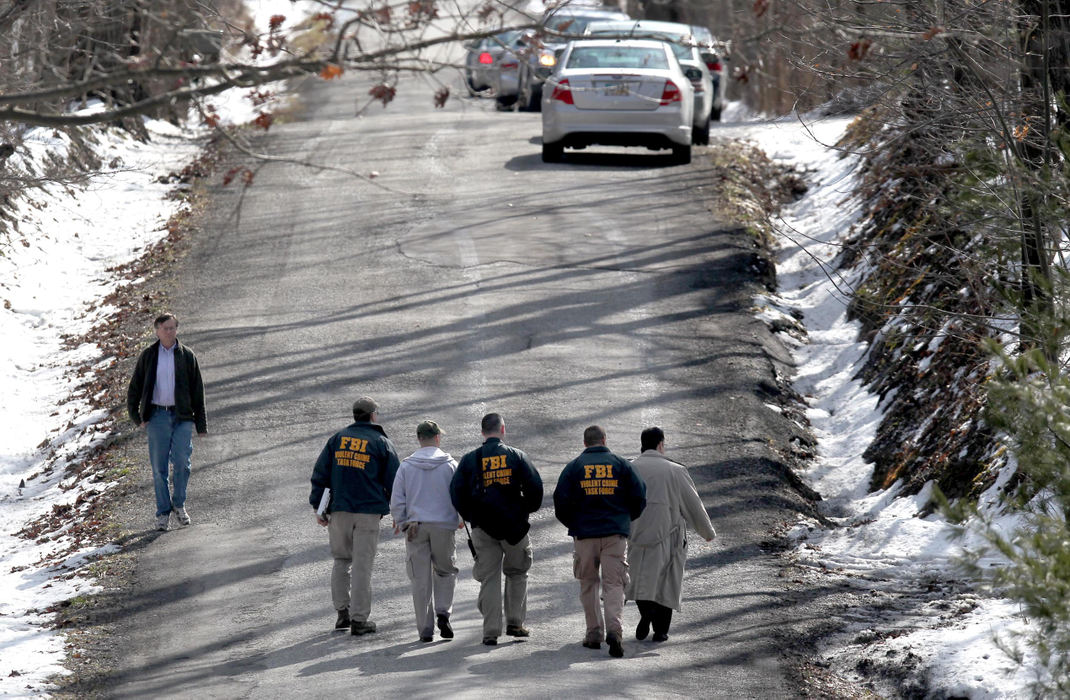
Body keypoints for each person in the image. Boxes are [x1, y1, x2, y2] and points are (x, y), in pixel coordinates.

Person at [309, 396, 400, 636]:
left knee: (341, 561)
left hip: (339, 511)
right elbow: (395, 482)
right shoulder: (381, 442)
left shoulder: (337, 440)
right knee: (362, 566)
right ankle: (359, 619)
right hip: (368, 513)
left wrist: (319, 508)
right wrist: (400, 511)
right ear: (373, 415)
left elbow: (320, 474)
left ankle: (343, 614)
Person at [450, 413, 543, 646]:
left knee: (489, 578)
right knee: (518, 572)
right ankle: (515, 622)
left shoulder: (470, 459)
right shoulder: (517, 456)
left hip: (483, 527)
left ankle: (490, 630)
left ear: (483, 432)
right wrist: (524, 510)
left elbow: (456, 493)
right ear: (503, 429)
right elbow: (535, 488)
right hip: (515, 527)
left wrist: (472, 517)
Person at [554, 425, 646, 659]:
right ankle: (615, 631)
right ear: (604, 440)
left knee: (588, 583)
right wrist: (624, 520)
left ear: (585, 443)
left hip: (585, 535)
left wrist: (574, 525)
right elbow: (639, 496)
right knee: (614, 584)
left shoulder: (574, 467)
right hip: (614, 533)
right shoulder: (622, 465)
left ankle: (594, 633)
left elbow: (560, 502)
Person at [626, 427, 716, 642]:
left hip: (636, 532)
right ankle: (660, 630)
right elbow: (692, 504)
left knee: (639, 577)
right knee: (667, 579)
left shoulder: (629, 468)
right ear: (660, 445)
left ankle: (646, 611)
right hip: (669, 534)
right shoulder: (675, 470)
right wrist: (707, 531)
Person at [126, 312, 207, 532]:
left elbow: (197, 390)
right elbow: (134, 388)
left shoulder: (186, 356)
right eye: (165, 328)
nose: (170, 332)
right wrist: (137, 416)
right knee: (158, 468)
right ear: (157, 331)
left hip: (181, 417)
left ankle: (179, 504)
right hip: (157, 417)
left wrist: (201, 425)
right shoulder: (149, 356)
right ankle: (163, 512)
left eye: (173, 328)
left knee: (182, 462)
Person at [390, 420, 461, 643]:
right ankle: (443, 612)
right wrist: (459, 518)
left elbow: (397, 500)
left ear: (419, 439)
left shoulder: (406, 466)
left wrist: (402, 522)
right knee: (445, 571)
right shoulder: (451, 465)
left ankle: (425, 630)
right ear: (438, 438)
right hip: (443, 526)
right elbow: (459, 494)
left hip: (416, 527)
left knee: (420, 578)